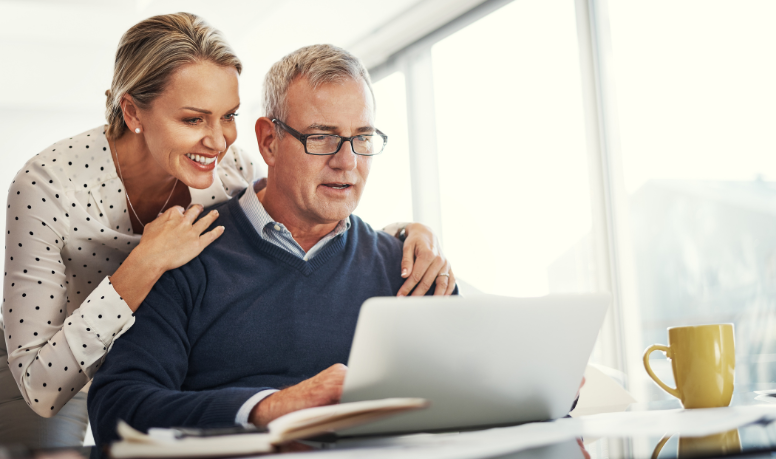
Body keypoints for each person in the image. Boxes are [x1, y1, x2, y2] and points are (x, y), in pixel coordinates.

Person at [0, 14, 455, 450]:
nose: (218, 141)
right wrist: (145, 263)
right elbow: (51, 390)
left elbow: (295, 207)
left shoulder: (228, 167)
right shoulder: (49, 187)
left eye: (228, 116)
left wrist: (403, 237)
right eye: (193, 119)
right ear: (133, 111)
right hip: (49, 367)